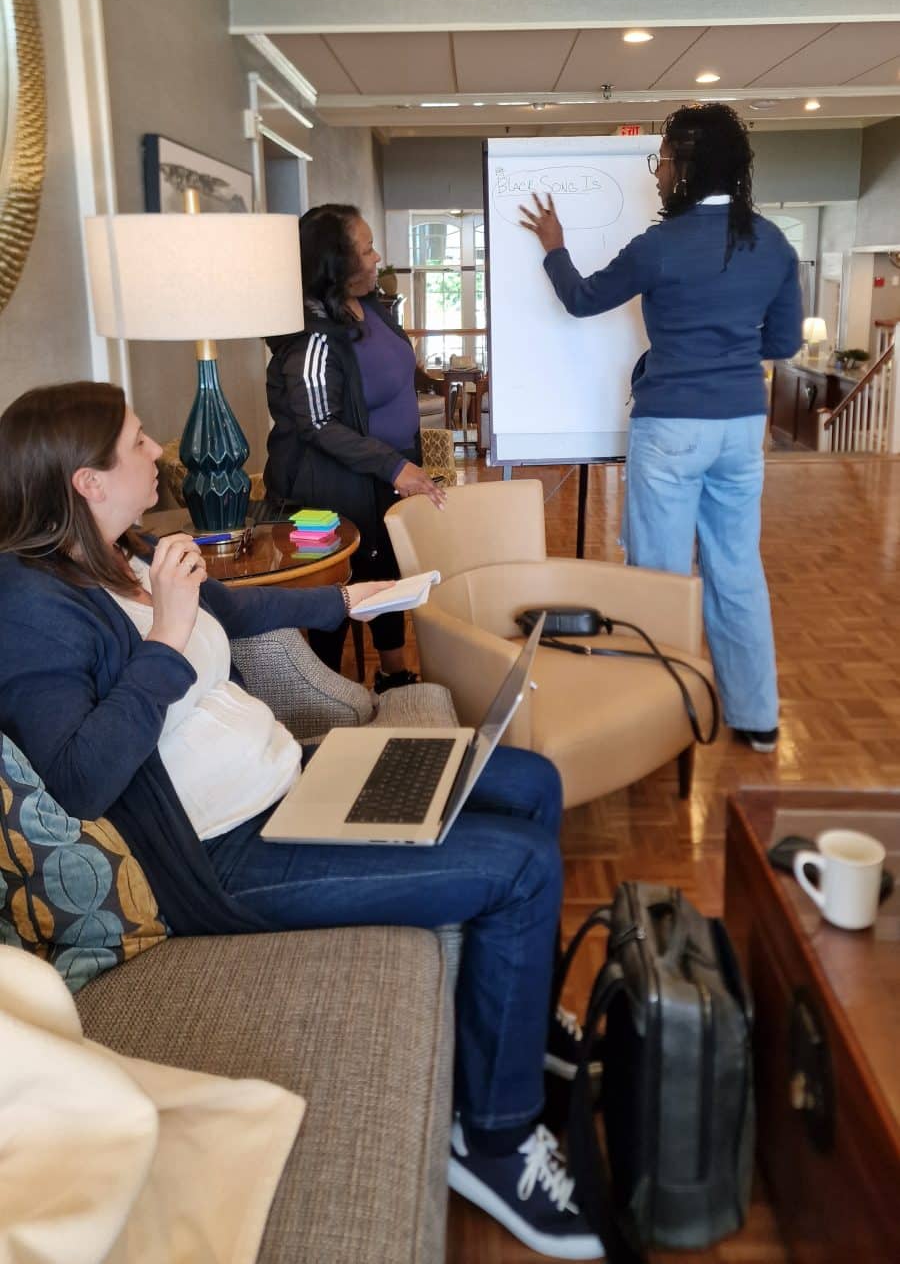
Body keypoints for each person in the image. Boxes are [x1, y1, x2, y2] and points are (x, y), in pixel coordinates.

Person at [0, 381, 604, 1261]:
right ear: (86, 479)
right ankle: (497, 1140)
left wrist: (355, 600)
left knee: (533, 782)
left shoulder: (121, 549)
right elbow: (85, 776)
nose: (156, 446)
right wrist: (164, 641)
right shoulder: (28, 609)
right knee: (520, 865)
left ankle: (520, 1022)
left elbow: (229, 610)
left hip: (296, 779)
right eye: (135, 440)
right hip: (223, 859)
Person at [520, 103, 802, 753]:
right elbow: (782, 340)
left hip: (671, 424)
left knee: (658, 575)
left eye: (663, 160)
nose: (657, 173)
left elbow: (583, 298)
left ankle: (661, 721)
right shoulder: (774, 242)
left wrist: (554, 247)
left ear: (685, 167)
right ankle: (756, 718)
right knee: (737, 569)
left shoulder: (660, 244)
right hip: (740, 428)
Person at [265, 204, 445, 692]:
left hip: (383, 477)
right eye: (366, 249)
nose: (376, 257)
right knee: (339, 592)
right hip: (335, 487)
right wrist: (394, 467)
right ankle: (328, 697)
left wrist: (402, 465)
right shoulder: (311, 338)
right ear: (335, 264)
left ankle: (394, 676)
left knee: (387, 575)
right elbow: (318, 424)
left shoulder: (373, 308)